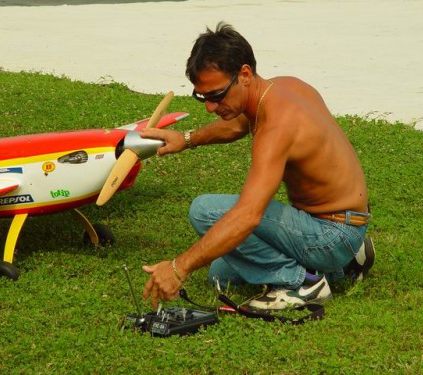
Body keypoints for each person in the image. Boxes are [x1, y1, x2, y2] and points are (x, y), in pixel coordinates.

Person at [141, 22, 375, 310]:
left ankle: (304, 283)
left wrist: (179, 268)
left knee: (205, 211)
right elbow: (238, 124)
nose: (210, 107)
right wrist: (187, 139)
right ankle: (346, 263)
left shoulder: (277, 126)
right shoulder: (283, 87)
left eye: (216, 95)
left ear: (245, 74)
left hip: (331, 233)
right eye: (202, 97)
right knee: (220, 272)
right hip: (346, 222)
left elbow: (248, 216)